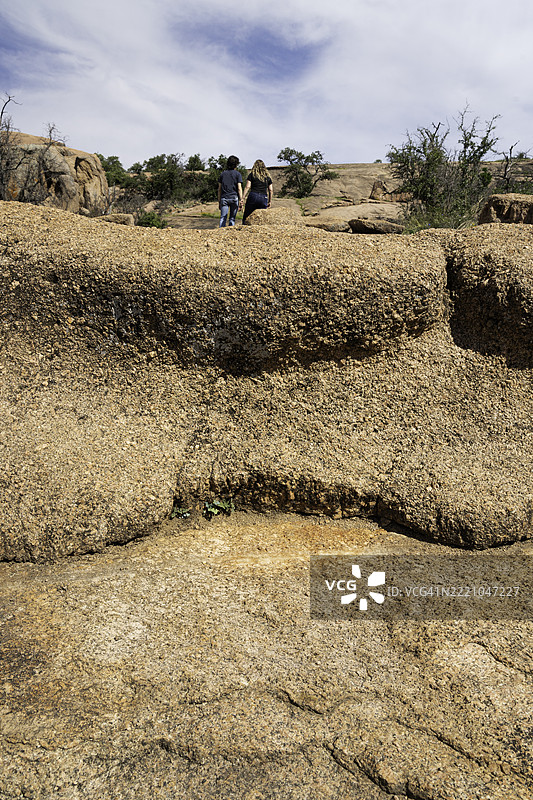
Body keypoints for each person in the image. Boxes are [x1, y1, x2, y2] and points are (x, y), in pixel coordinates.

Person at [241, 159, 273, 224]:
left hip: (253, 195)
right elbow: (271, 190)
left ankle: (243, 229)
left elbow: (247, 186)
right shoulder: (268, 177)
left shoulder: (252, 175)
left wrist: (243, 197)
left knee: (247, 215)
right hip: (264, 197)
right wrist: (269, 201)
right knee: (262, 217)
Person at [218, 155, 243, 227]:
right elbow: (239, 188)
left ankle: (220, 234)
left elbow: (219, 189)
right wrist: (241, 200)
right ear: (236, 164)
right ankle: (230, 235)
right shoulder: (238, 174)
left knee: (223, 218)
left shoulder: (222, 174)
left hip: (224, 198)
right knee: (232, 219)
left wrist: (219, 201)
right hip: (234, 198)